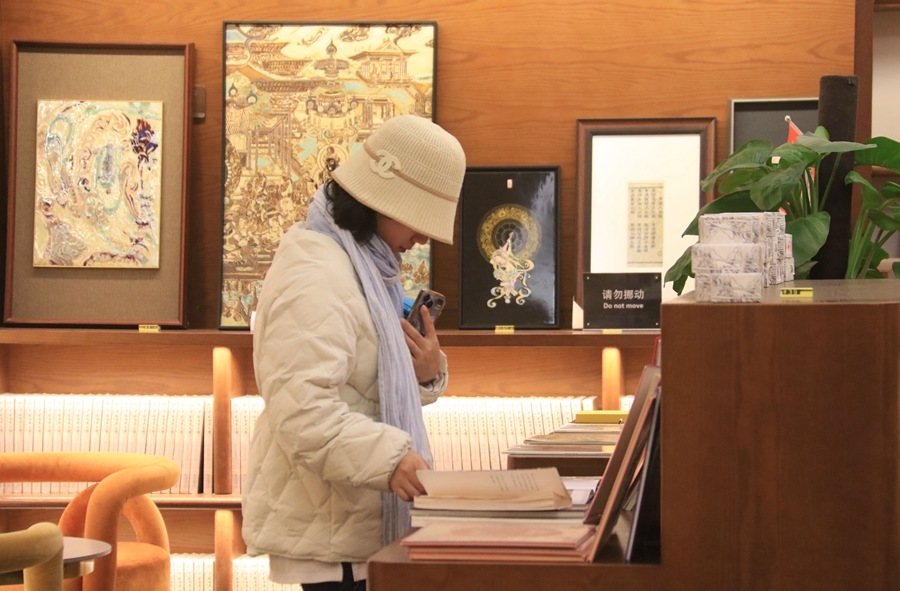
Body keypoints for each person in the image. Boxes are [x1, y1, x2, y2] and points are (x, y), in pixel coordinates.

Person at [241, 114, 467, 591]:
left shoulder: (361, 265)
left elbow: (363, 389)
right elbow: (302, 412)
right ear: (383, 200)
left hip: (351, 526)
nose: (423, 238)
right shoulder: (315, 273)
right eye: (420, 218)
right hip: (334, 535)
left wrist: (426, 372)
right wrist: (391, 459)